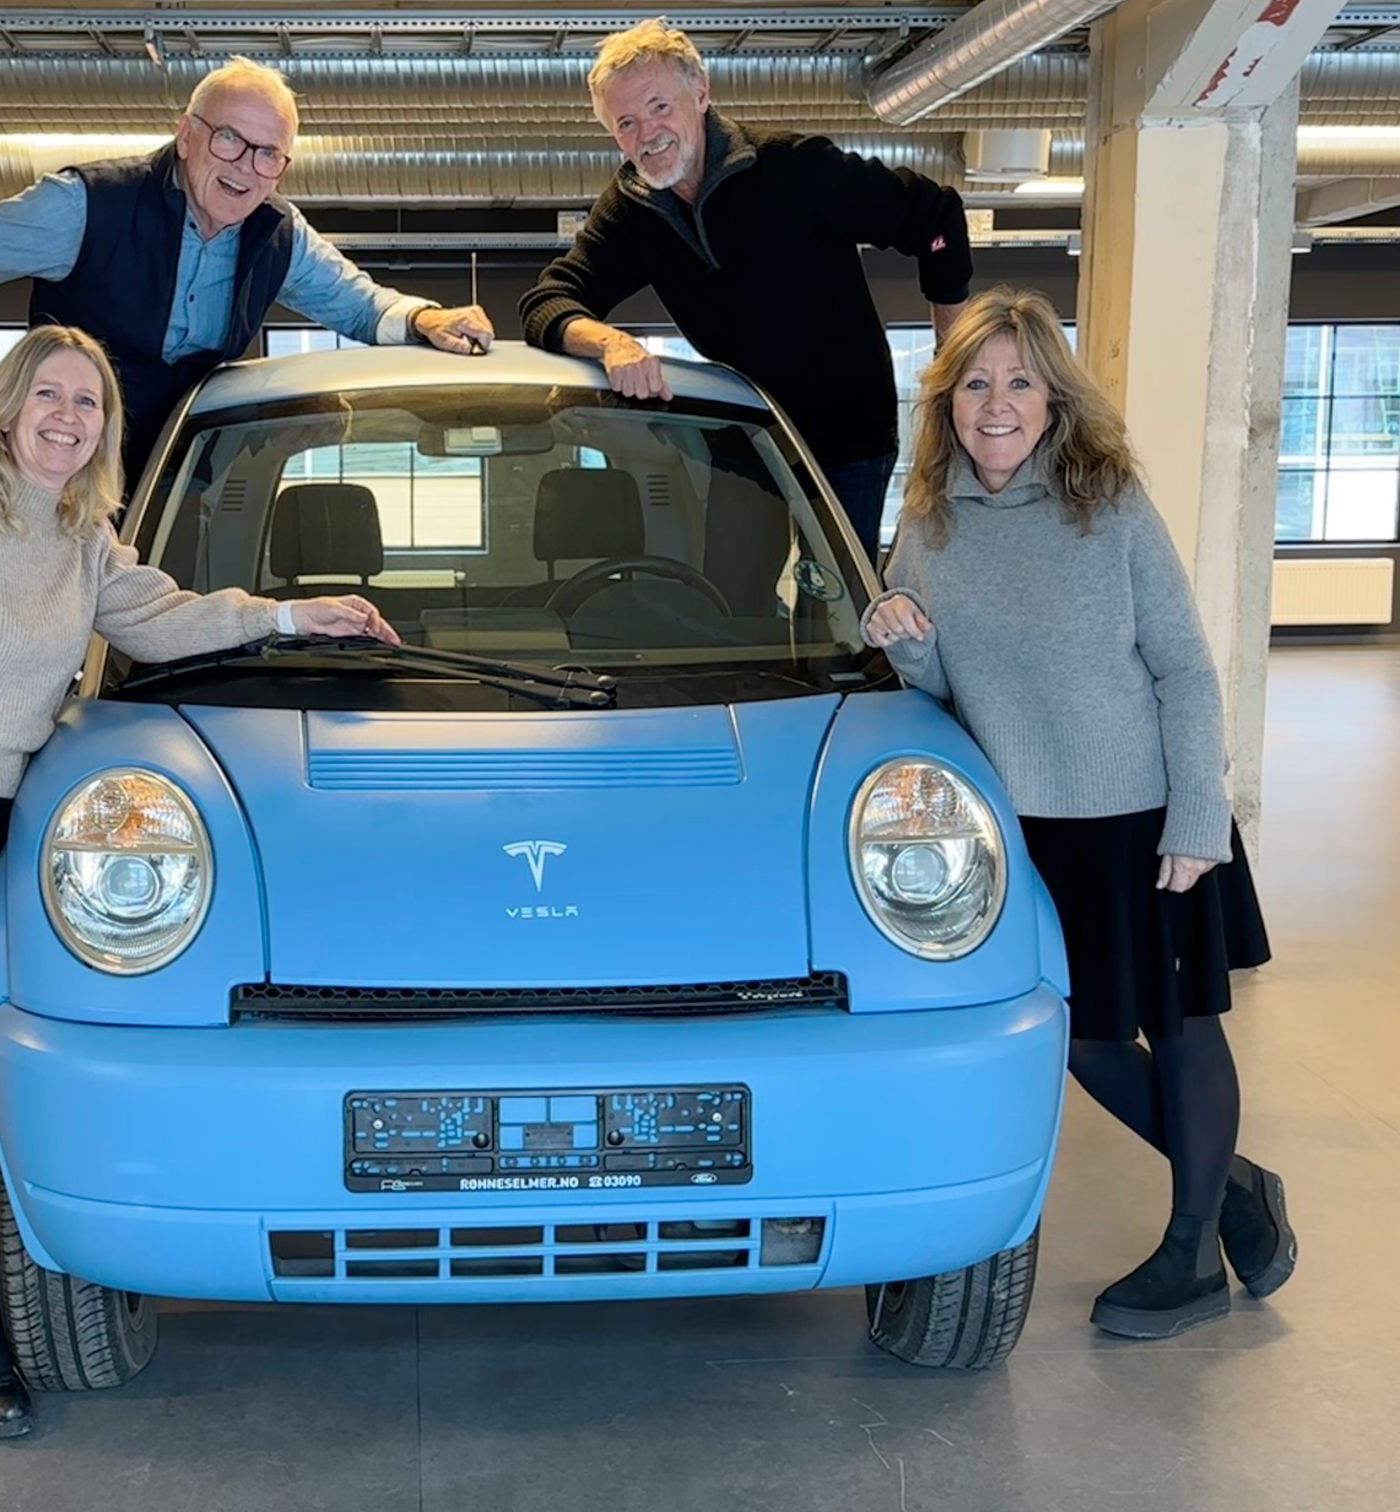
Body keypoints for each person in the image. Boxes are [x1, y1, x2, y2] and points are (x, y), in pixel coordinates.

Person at [0, 325, 397, 1439]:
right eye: (52, 398)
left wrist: (290, 614)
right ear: (9, 406)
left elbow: (162, 617)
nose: (69, 420)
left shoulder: (78, 536)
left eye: (90, 405)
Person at [861, 287, 1296, 1340]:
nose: (997, 404)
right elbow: (936, 693)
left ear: (1052, 399)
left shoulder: (1109, 501)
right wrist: (906, 639)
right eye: (976, 383)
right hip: (1029, 827)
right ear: (947, 400)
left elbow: (1186, 670)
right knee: (1083, 1040)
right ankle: (1235, 1184)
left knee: (1182, 1028)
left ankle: (1192, 1249)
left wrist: (1200, 814)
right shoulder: (928, 517)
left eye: (1020, 382)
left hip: (1146, 812)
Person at [0, 54, 494, 486]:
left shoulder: (277, 237)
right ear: (186, 135)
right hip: (55, 468)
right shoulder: (87, 205)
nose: (245, 167)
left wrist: (428, 318)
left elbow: (358, 305)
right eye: (230, 139)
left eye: (269, 155)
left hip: (168, 485)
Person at [518, 19, 971, 556]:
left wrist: (954, 359)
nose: (647, 134)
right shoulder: (632, 210)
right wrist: (612, 344)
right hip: (746, 440)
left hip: (850, 435)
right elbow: (548, 301)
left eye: (660, 107)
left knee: (839, 610)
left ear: (701, 93)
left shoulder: (794, 169)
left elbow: (936, 219)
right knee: (736, 606)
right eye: (626, 123)